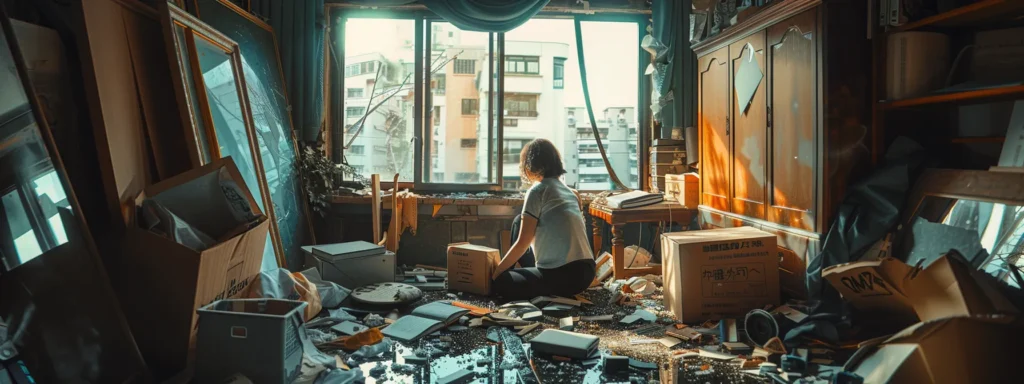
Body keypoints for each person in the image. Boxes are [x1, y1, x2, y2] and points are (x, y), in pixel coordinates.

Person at [491, 139, 596, 300]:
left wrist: (496, 274)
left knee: (502, 282)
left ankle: (509, 274)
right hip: (587, 273)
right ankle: (522, 275)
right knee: (520, 221)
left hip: (562, 275)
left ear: (529, 165)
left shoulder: (537, 190)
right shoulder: (572, 193)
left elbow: (523, 242)